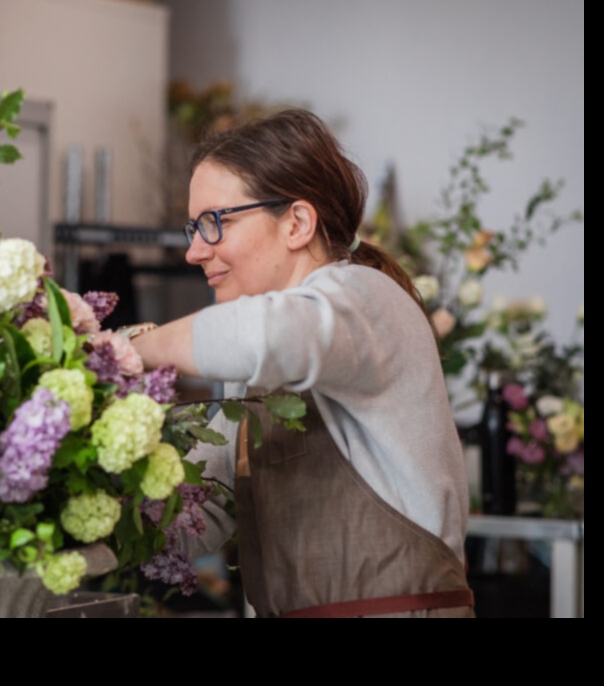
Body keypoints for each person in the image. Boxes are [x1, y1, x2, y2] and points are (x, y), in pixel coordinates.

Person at [129, 109, 474, 619]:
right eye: (192, 227)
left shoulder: (363, 297)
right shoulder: (252, 366)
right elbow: (202, 514)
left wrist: (126, 350)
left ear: (296, 222)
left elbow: (265, 335)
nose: (194, 251)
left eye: (214, 223)